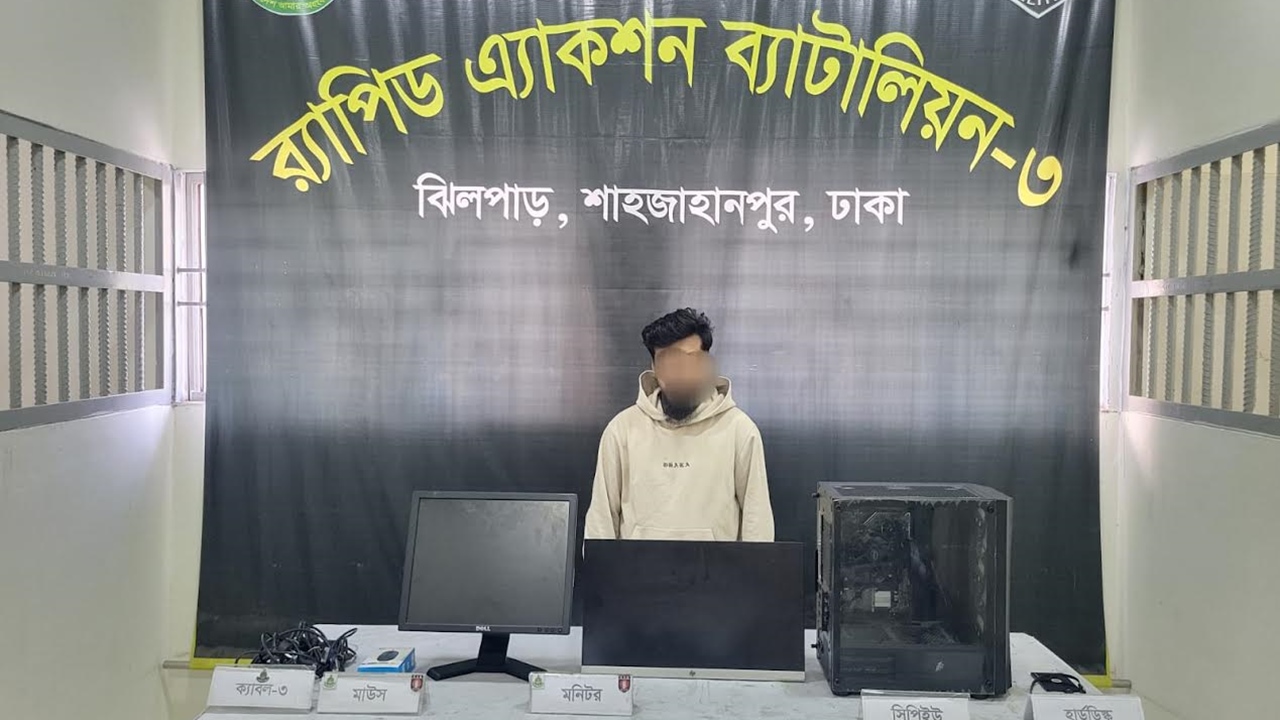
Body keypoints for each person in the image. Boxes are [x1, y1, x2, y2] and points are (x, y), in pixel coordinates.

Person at [584, 308, 775, 542]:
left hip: (717, 567)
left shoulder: (739, 430)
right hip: (637, 567)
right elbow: (601, 521)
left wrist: (757, 566)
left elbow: (758, 523)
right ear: (654, 367)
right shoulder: (622, 430)